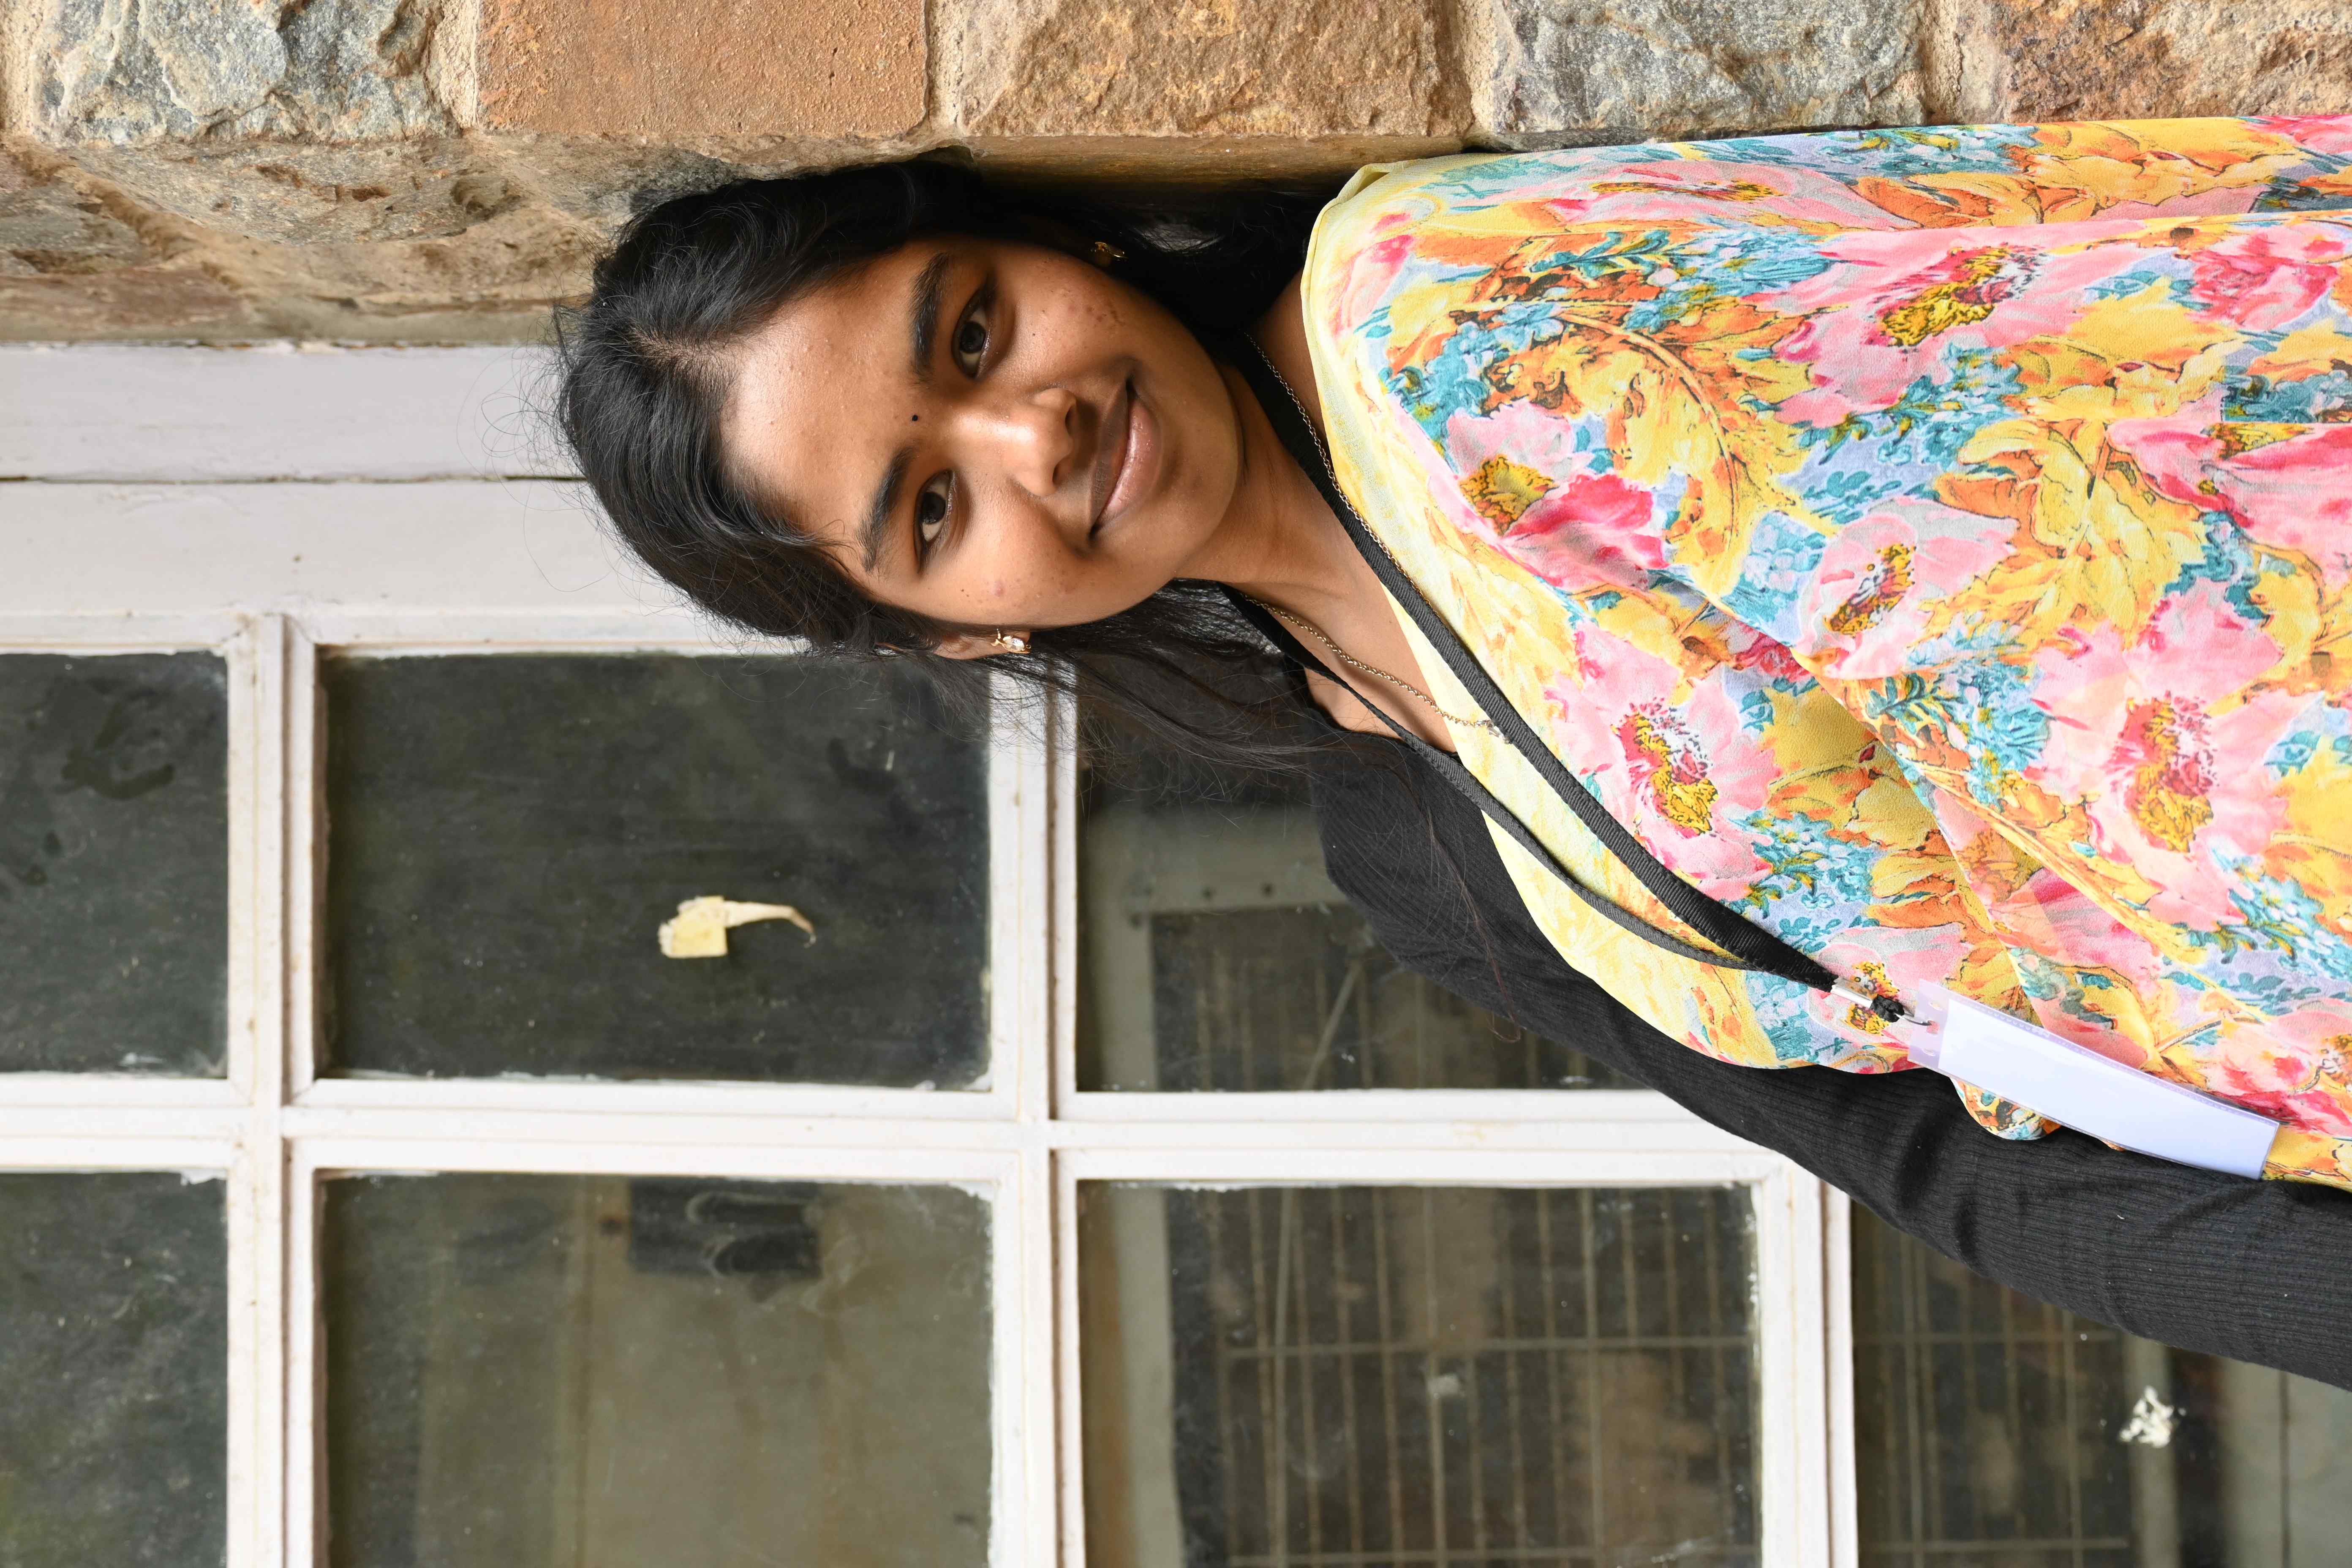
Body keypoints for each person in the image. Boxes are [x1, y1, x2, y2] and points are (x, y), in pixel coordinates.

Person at [554, 117, 2352, 1370]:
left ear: (1055, 246)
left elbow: (2102, 469)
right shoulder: (1417, 855)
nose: (1038, 432)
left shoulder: (1447, 306)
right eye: (934, 506)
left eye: (974, 328)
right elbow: (1941, 1163)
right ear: (957, 631)